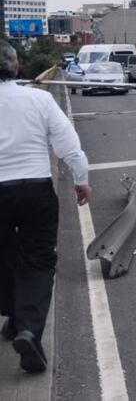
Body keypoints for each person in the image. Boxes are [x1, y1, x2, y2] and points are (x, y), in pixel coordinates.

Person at [0, 40, 91, 373]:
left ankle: (12, 316)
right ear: (16, 68)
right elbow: (68, 144)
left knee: (5, 253)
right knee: (38, 261)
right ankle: (27, 329)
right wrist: (81, 179)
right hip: (35, 188)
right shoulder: (39, 99)